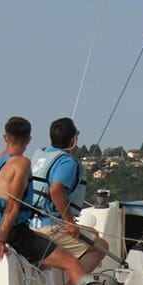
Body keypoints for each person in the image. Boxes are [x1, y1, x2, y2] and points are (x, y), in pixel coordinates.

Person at [0, 116, 88, 285]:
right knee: (72, 263)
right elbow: (12, 205)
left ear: (5, 137)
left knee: (47, 242)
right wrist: (1, 241)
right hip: (14, 235)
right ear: (29, 140)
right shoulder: (21, 163)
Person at [29, 117, 108, 275]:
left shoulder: (40, 156)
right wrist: (69, 222)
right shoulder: (67, 163)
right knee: (102, 247)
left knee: (93, 234)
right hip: (50, 227)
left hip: (31, 224)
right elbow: (56, 191)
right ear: (73, 139)